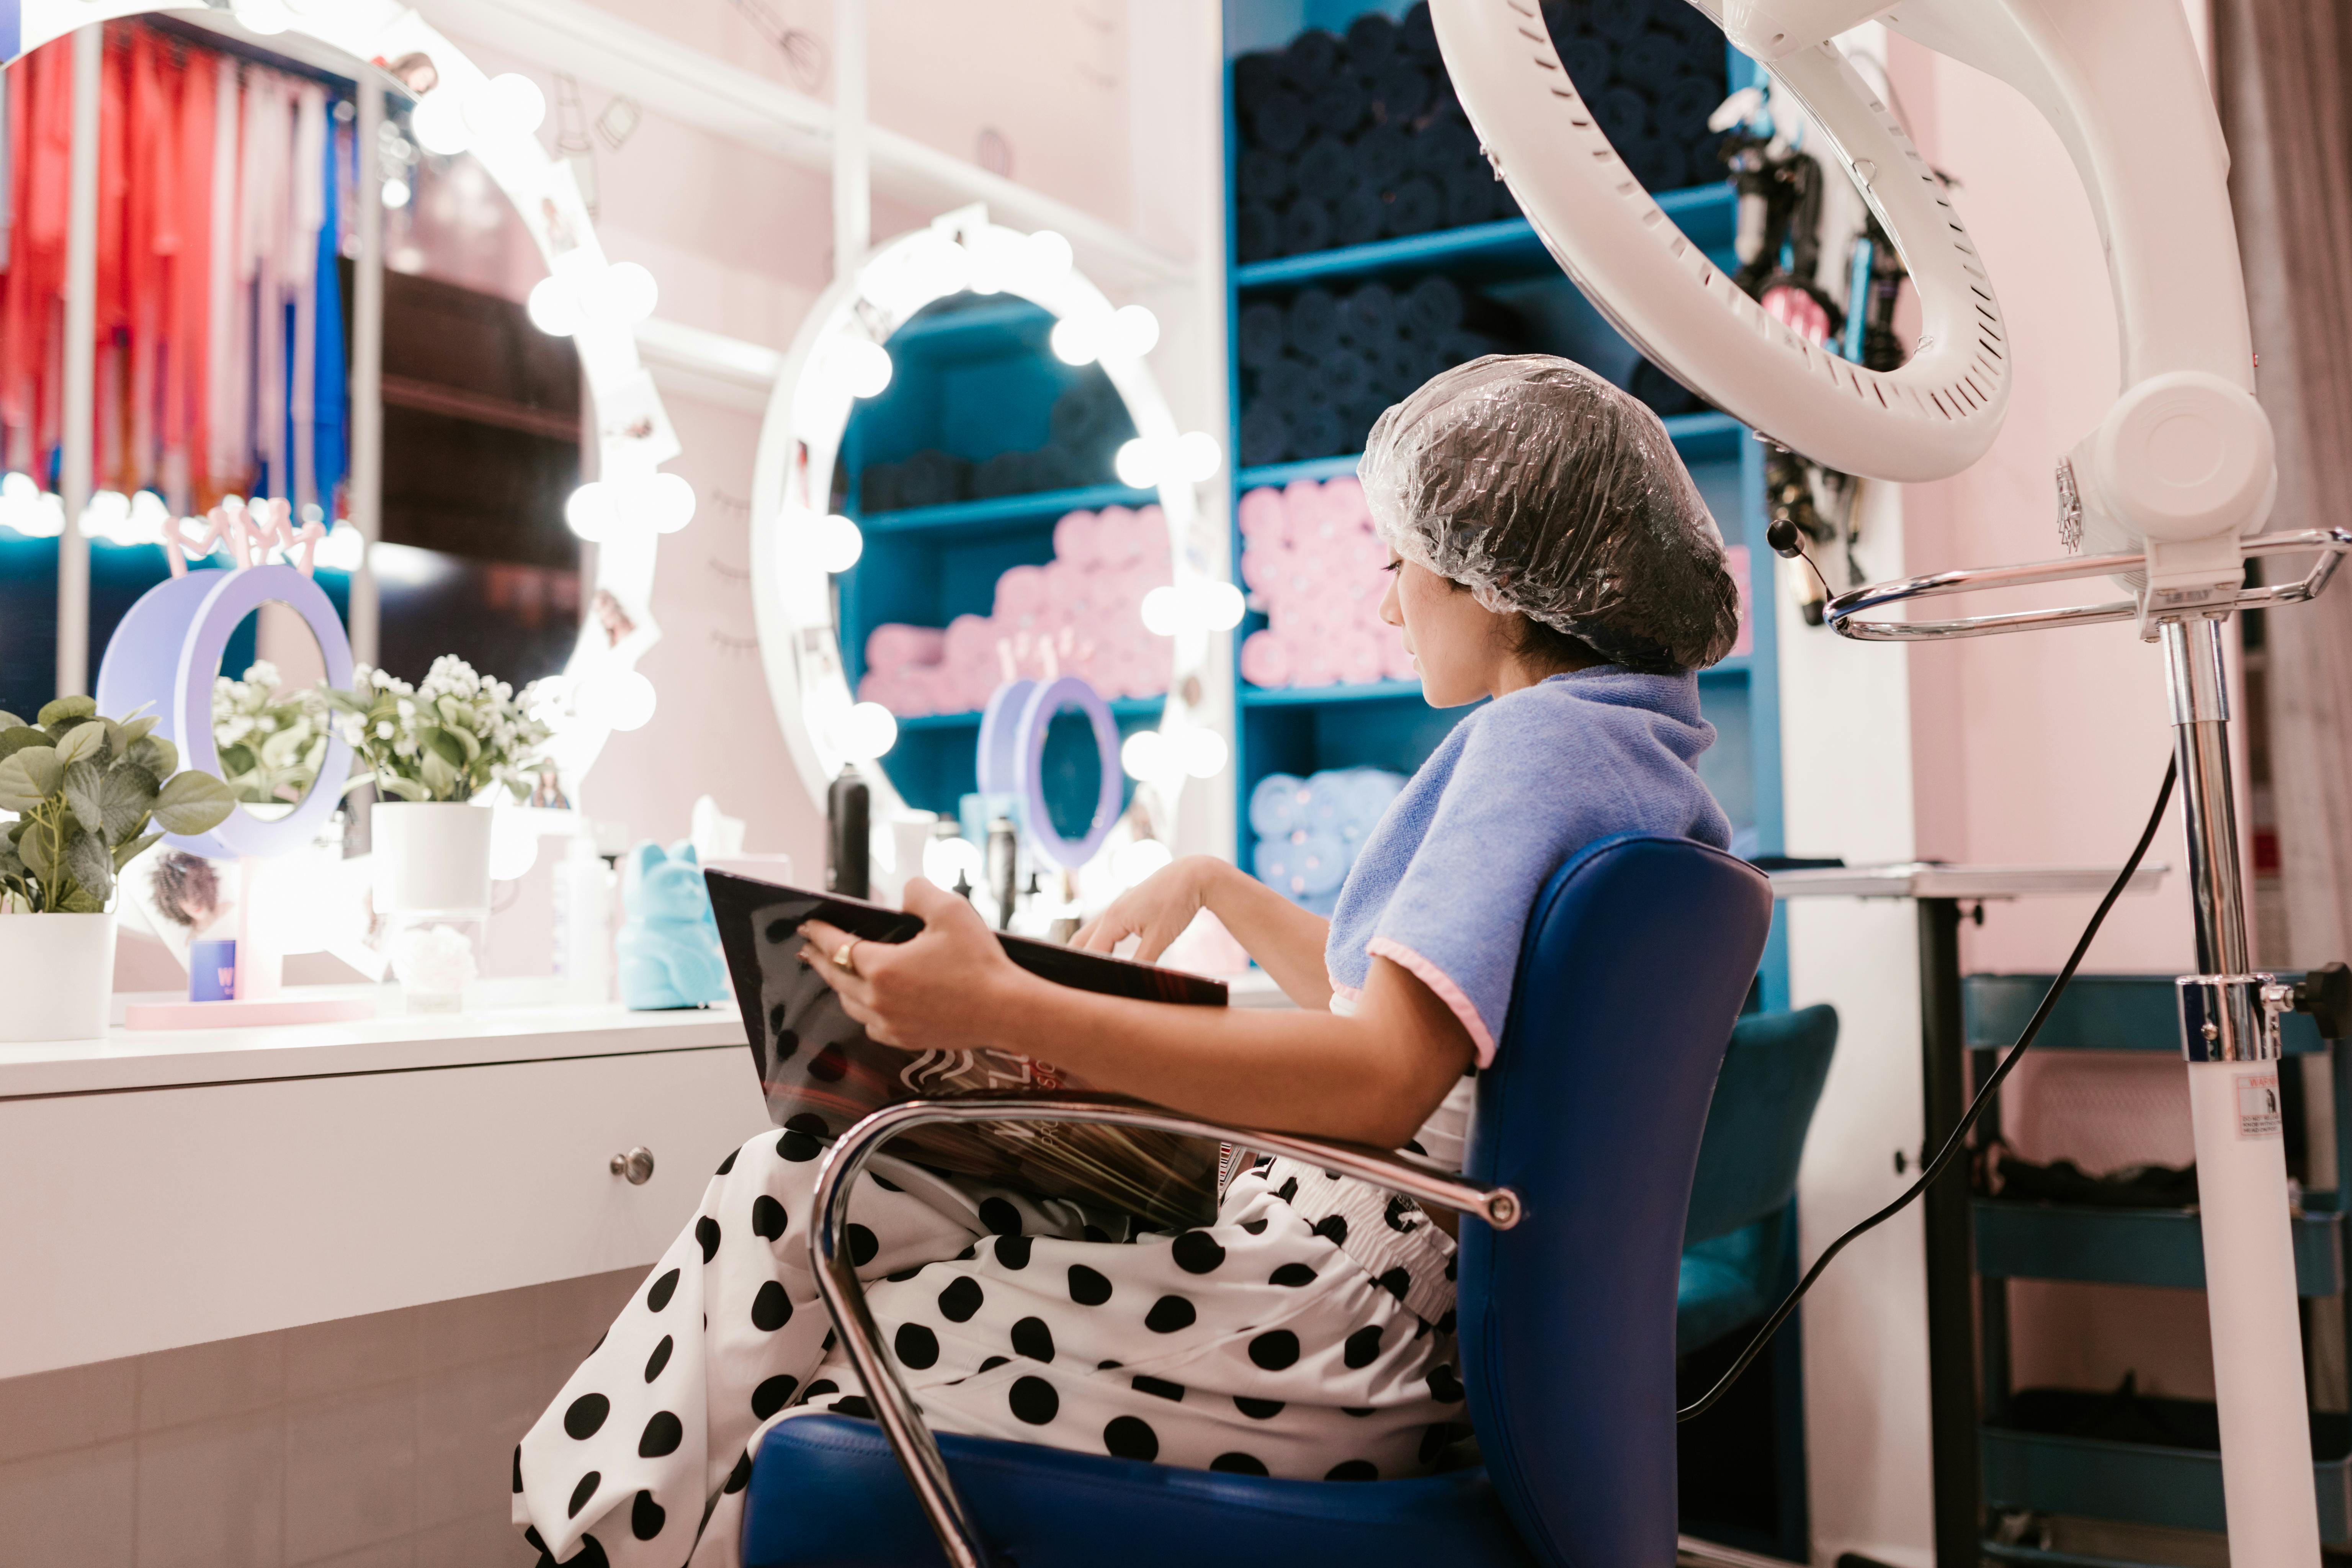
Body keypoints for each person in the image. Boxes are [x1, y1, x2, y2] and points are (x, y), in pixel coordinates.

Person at [513, 356, 1745, 1568]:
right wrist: (1216, 885)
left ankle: (572, 1544)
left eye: (1398, 564)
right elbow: (1441, 1023)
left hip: (1327, 1323)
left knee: (824, 1301)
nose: (1385, 604)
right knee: (806, 1186)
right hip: (1384, 1306)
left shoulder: (1528, 750)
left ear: (1503, 581)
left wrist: (1007, 1001)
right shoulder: (1631, 751)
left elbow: (1382, 1078)